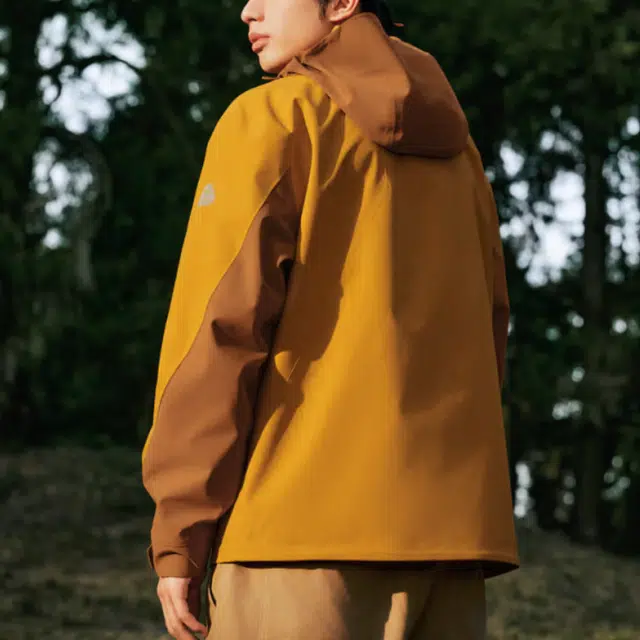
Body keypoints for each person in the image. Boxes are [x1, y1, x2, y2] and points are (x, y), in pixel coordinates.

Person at [141, 0, 519, 638]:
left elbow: (217, 334)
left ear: (342, 3)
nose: (248, 10)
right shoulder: (462, 155)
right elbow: (490, 328)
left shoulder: (271, 117)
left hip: (294, 543)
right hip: (451, 552)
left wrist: (181, 531)